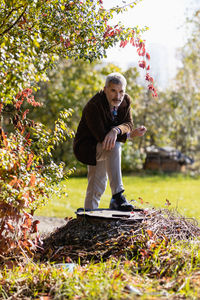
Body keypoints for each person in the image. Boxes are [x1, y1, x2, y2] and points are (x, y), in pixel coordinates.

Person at [73, 72, 146, 211]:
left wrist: (116, 130)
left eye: (121, 92)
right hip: (87, 147)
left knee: (97, 185)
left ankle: (89, 216)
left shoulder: (125, 101)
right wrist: (129, 136)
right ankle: (118, 196)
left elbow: (128, 124)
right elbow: (102, 136)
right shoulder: (93, 106)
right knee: (114, 146)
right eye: (113, 91)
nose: (117, 96)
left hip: (104, 144)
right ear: (105, 89)